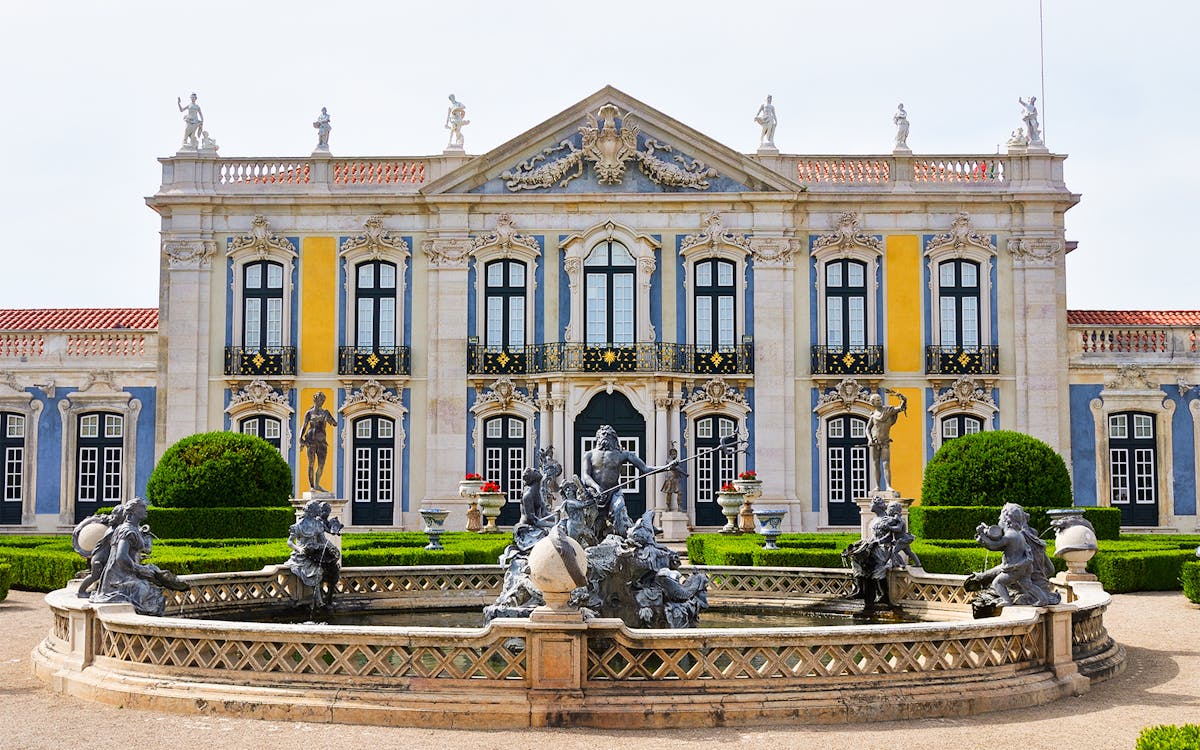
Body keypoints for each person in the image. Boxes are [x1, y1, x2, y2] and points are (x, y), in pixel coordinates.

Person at [92, 497, 188, 615]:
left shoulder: (133, 529)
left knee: (155, 578)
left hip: (127, 573)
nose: (146, 509)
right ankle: (144, 624)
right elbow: (121, 557)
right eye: (142, 507)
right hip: (118, 577)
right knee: (148, 589)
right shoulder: (127, 530)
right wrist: (140, 569)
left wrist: (145, 536)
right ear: (132, 511)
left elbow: (146, 550)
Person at [581, 425, 669, 537]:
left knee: (619, 513)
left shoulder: (623, 454)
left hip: (614, 492)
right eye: (602, 434)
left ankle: (637, 533)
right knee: (595, 526)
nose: (605, 437)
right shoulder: (589, 455)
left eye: (608, 435)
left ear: (614, 438)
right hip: (595, 494)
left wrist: (667, 467)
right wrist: (596, 487)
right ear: (597, 437)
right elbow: (586, 476)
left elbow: (645, 469)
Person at [285, 499, 342, 610]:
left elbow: (324, 540)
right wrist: (299, 549)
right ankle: (319, 602)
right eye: (317, 510)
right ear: (311, 511)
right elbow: (289, 542)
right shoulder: (298, 526)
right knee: (317, 571)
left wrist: (333, 548)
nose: (319, 513)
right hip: (302, 556)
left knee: (332, 569)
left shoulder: (317, 524)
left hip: (316, 553)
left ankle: (328, 598)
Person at [867, 390, 907, 493]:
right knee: (876, 464)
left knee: (886, 463)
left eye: (880, 399)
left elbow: (901, 408)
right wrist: (870, 439)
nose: (879, 401)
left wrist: (902, 398)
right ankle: (877, 486)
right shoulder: (873, 415)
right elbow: (868, 429)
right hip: (875, 442)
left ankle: (888, 486)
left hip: (885, 442)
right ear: (873, 403)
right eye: (877, 400)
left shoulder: (889, 410)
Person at [300, 392, 336, 492]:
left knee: (321, 465)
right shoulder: (309, 413)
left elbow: (334, 423)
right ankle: (312, 486)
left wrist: (328, 418)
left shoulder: (325, 412)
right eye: (319, 400)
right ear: (315, 400)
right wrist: (300, 439)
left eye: (322, 401)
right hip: (311, 441)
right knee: (311, 463)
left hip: (322, 442)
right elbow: (304, 426)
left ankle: (317, 484)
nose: (321, 402)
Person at [659, 445, 687, 512]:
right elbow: (677, 468)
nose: (675, 455)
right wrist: (685, 474)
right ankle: (668, 506)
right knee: (669, 493)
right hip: (670, 479)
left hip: (676, 478)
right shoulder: (669, 461)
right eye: (674, 454)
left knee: (680, 493)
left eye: (676, 454)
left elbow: (678, 468)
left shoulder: (676, 461)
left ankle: (679, 506)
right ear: (671, 454)